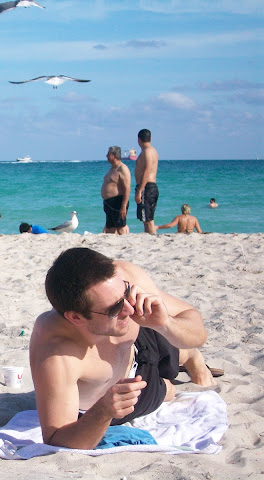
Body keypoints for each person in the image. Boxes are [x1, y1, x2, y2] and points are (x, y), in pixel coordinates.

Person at [29, 247, 217, 449]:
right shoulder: (58, 352)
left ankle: (194, 361)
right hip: (123, 390)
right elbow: (55, 440)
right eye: (115, 308)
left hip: (136, 340)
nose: (129, 308)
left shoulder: (123, 278)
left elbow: (197, 330)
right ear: (76, 317)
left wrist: (165, 324)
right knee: (168, 391)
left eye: (126, 293)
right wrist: (104, 411)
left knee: (180, 345)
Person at [101, 146, 131, 235]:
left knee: (121, 227)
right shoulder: (112, 169)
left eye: (108, 154)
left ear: (114, 155)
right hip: (108, 203)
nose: (106, 155)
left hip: (118, 202)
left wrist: (123, 206)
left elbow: (127, 188)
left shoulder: (122, 168)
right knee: (110, 228)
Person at [135, 129, 159, 234]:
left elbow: (147, 171)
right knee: (146, 219)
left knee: (148, 220)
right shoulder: (152, 150)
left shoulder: (147, 152)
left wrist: (140, 190)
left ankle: (151, 238)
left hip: (147, 187)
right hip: (149, 186)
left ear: (138, 139)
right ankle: (148, 237)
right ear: (151, 138)